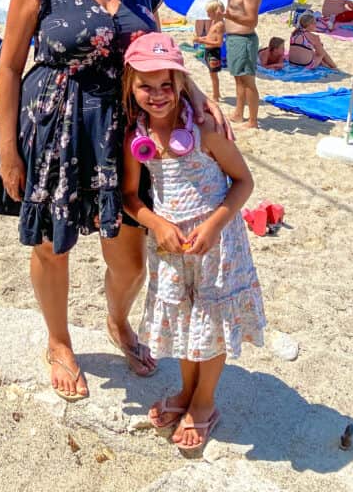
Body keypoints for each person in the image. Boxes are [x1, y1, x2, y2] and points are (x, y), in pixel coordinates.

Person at [0, 0, 222, 402]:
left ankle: (117, 322)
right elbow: (8, 67)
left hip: (124, 132)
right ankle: (58, 342)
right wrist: (8, 150)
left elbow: (159, 57)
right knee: (53, 244)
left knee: (130, 257)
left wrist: (197, 96)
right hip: (55, 125)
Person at [121, 33, 264, 452]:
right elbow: (131, 197)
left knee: (213, 323)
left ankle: (204, 402)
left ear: (182, 83)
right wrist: (155, 223)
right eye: (146, 86)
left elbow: (243, 182)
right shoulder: (137, 136)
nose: (158, 95)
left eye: (167, 85)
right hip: (170, 247)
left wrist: (216, 225)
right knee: (185, 323)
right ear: (130, 85)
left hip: (217, 246)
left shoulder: (203, 129)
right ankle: (185, 392)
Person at [223, 0, 261, 129]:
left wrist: (229, 15)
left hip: (244, 39)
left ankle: (252, 121)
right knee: (238, 78)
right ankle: (238, 114)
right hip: (235, 39)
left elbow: (252, 20)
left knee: (248, 81)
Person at [196, 0, 225, 100]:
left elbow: (219, 43)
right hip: (209, 51)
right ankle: (216, 93)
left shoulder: (220, 25)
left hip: (214, 52)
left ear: (216, 12)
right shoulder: (213, 22)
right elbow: (209, 36)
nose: (208, 16)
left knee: (214, 75)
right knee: (211, 73)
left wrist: (203, 41)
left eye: (209, 13)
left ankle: (216, 95)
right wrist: (201, 39)